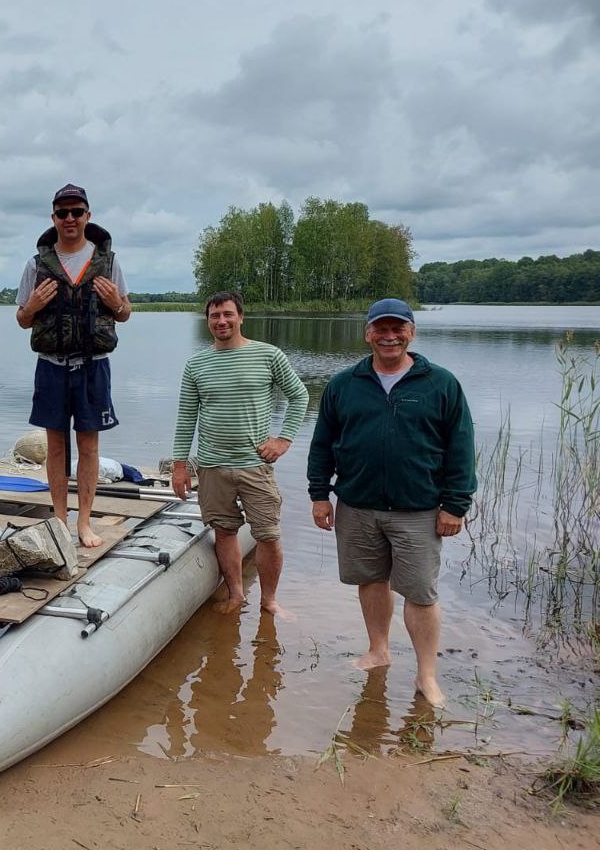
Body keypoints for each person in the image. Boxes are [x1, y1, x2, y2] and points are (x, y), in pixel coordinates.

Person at [307, 298, 476, 707]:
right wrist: (319, 495)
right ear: (367, 333)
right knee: (370, 580)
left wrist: (456, 504)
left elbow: (461, 448)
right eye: (380, 328)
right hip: (357, 505)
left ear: (411, 332)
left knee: (420, 593)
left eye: (397, 328)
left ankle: (426, 675)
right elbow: (322, 444)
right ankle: (378, 651)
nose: (389, 335)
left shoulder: (441, 383)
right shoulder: (344, 384)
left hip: (418, 510)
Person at [171, 291, 308, 615]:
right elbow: (186, 417)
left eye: (228, 314)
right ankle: (235, 594)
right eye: (215, 316)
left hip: (255, 465)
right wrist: (180, 466)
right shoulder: (197, 364)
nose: (221, 321)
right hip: (212, 466)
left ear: (241, 317)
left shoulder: (268, 355)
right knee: (224, 530)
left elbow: (299, 396)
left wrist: (283, 440)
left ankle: (269, 600)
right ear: (208, 321)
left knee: (268, 536)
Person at [15, 183, 131, 548]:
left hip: (93, 365)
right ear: (53, 218)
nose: (69, 218)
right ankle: (59, 519)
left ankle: (84, 522)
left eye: (76, 212)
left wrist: (116, 302)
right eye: (62, 213)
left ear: (87, 216)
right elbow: (21, 319)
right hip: (51, 365)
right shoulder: (36, 264)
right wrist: (32, 305)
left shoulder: (108, 262)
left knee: (89, 446)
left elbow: (125, 313)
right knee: (55, 445)